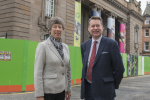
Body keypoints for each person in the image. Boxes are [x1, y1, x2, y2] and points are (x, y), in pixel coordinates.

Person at [80, 16, 125, 100]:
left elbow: (119, 69)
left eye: (98, 25)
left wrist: (112, 85)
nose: (95, 28)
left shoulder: (111, 44)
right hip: (88, 91)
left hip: (105, 92)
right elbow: (86, 66)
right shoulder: (84, 45)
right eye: (93, 26)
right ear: (89, 28)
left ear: (102, 27)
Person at [34, 17, 71, 100]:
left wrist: (68, 88)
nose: (57, 29)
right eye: (54, 26)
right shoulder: (43, 46)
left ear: (62, 29)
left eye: (60, 27)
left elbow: (68, 70)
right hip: (48, 92)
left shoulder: (65, 47)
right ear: (50, 30)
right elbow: (38, 72)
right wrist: (39, 95)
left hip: (62, 91)